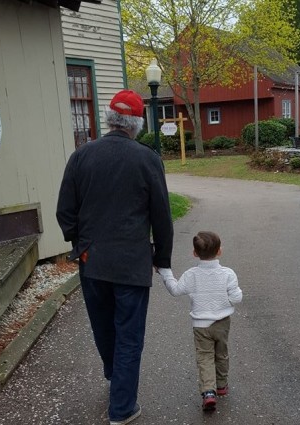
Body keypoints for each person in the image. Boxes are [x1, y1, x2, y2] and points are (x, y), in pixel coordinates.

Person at [56, 89, 174, 425]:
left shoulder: (81, 156)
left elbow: (65, 212)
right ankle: (121, 408)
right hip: (131, 264)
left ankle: (115, 376)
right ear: (137, 123)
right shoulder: (148, 159)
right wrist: (162, 258)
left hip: (92, 261)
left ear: (110, 118)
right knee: (129, 335)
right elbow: (162, 217)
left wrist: (81, 245)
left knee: (104, 326)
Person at [157, 231, 242, 411]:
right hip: (222, 323)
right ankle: (221, 385)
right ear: (219, 251)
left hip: (201, 326)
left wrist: (165, 272)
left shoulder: (191, 275)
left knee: (205, 357)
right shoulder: (228, 274)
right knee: (221, 353)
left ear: (195, 253)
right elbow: (236, 298)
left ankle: (209, 392)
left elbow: (175, 290)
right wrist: (226, 300)